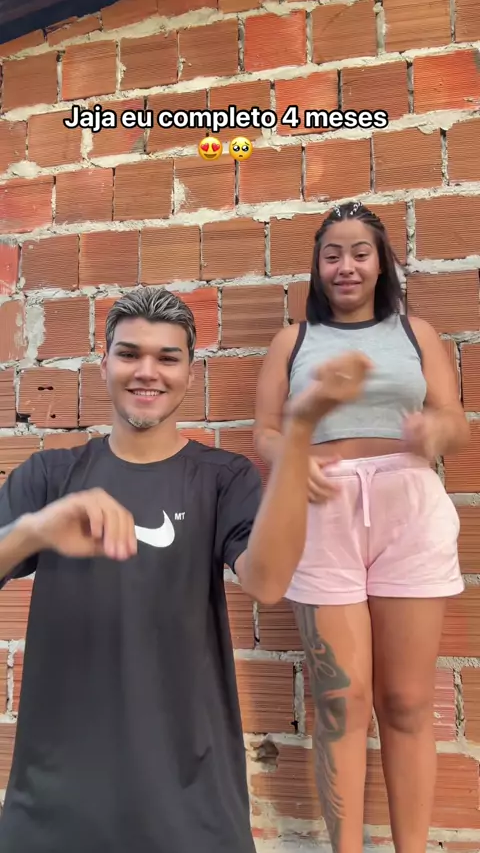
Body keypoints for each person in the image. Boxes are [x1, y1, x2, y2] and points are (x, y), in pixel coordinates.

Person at [0, 286, 371, 853]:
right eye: (129, 354)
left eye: (167, 358)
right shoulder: (50, 475)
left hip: (191, 803)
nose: (147, 372)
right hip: (54, 801)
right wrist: (34, 531)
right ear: (104, 365)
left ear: (189, 373)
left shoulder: (223, 478)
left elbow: (268, 581)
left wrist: (297, 434)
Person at [254, 201, 470, 853]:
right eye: (332, 255)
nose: (345, 266)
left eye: (359, 252)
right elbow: (264, 433)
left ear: (381, 264)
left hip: (408, 509)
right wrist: (292, 459)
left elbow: (455, 421)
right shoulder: (293, 341)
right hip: (322, 512)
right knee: (340, 702)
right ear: (317, 268)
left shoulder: (416, 334)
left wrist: (436, 430)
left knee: (405, 700)